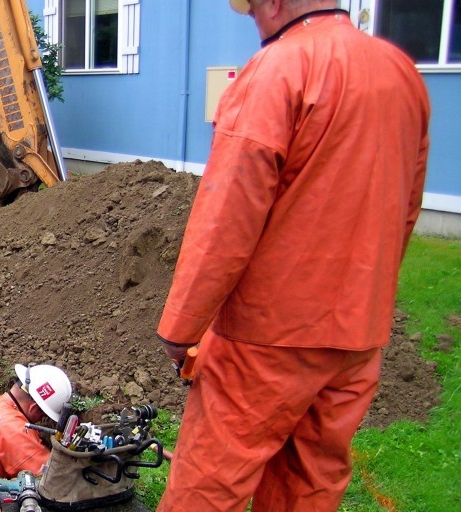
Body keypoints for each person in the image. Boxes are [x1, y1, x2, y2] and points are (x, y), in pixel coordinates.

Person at [156, 1, 430, 510]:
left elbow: (228, 217)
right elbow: (405, 205)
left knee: (211, 482)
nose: (254, 19)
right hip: (357, 331)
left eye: (254, 8)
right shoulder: (400, 73)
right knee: (310, 481)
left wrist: (182, 327)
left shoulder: (277, 70)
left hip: (268, 336)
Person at [0, 364, 72, 479]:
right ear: (33, 408)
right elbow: (52, 477)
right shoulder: (17, 431)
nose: (40, 419)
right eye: (43, 415)